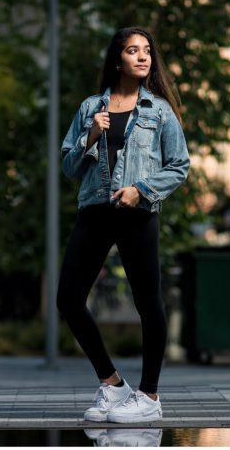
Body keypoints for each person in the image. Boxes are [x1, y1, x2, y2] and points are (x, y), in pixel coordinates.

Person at [58, 27, 190, 424]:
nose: (143, 57)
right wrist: (91, 135)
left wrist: (143, 190)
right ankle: (114, 386)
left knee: (148, 302)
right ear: (118, 60)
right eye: (133, 51)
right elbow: (68, 166)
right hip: (95, 211)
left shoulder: (159, 110)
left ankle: (148, 397)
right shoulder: (89, 108)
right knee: (68, 298)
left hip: (137, 214)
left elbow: (179, 166)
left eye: (147, 50)